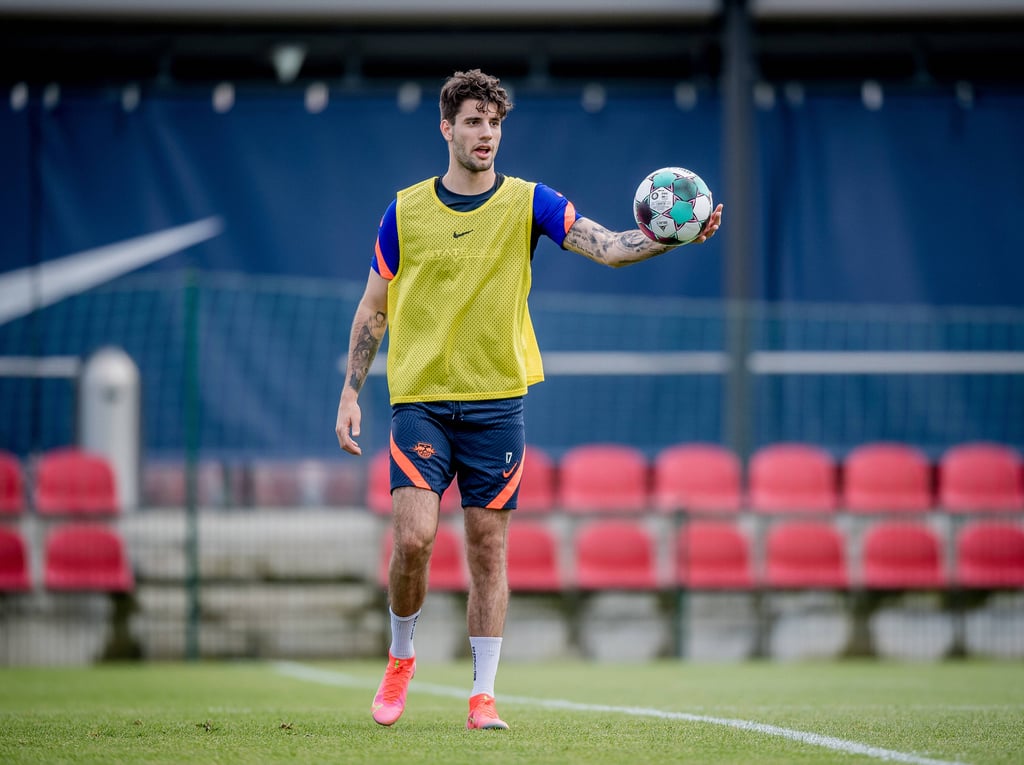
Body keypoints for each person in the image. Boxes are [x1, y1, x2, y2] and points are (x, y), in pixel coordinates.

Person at [335, 69, 722, 731]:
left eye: (495, 122)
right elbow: (375, 306)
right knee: (415, 539)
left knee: (488, 549)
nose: (487, 133)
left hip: (498, 404)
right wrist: (349, 390)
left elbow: (607, 247)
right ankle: (401, 657)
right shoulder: (403, 211)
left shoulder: (530, 201)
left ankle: (483, 694)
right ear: (447, 128)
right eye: (474, 121)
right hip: (421, 399)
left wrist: (668, 237)